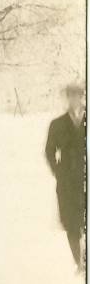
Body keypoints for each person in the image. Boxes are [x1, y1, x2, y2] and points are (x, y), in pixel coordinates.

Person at [46, 81, 86, 272]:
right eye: (70, 96)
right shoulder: (57, 124)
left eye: (77, 95)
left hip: (86, 178)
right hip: (68, 181)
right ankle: (79, 263)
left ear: (82, 96)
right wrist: (58, 171)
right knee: (72, 223)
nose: (74, 99)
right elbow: (49, 151)